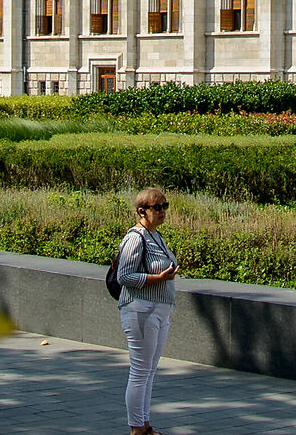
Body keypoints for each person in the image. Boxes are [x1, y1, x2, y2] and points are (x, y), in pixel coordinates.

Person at [114, 186, 179, 435]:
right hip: (140, 310)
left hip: (159, 311)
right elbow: (124, 276)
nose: (162, 211)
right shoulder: (135, 237)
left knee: (150, 371)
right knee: (140, 371)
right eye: (157, 207)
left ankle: (145, 424)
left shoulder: (156, 235)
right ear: (142, 211)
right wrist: (158, 278)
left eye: (165, 206)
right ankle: (136, 429)